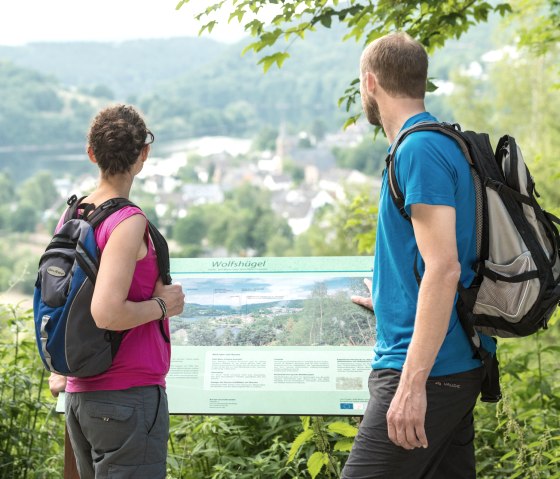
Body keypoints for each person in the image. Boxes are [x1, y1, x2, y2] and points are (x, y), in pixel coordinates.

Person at [342, 32, 496, 479]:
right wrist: (392, 297)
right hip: (447, 362)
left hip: (426, 369)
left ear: (370, 83)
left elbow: (445, 267)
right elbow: (438, 258)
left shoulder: (419, 149)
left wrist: (410, 385)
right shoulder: (432, 143)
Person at [48, 104, 185, 479]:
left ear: (92, 154)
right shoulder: (127, 221)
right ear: (143, 155)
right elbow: (105, 312)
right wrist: (162, 305)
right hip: (126, 396)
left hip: (81, 395)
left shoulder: (73, 216)